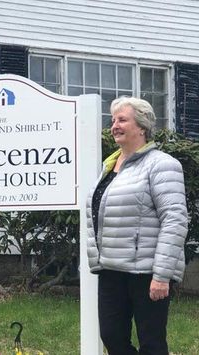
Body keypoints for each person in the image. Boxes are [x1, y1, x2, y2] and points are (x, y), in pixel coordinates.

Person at [86, 96, 188, 355]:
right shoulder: (109, 167)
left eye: (122, 120)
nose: (114, 125)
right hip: (111, 268)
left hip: (147, 271)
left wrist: (161, 275)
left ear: (141, 127)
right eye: (113, 120)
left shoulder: (162, 165)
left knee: (151, 342)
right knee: (111, 335)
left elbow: (175, 219)